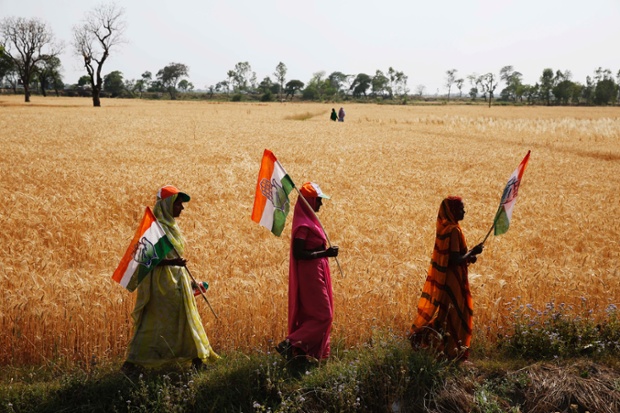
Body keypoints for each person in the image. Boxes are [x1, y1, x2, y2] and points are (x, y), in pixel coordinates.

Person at [122, 185, 219, 373]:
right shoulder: (155, 229)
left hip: (176, 280)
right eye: (178, 204)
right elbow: (145, 260)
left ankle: (198, 359)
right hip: (160, 285)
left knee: (186, 317)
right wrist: (172, 262)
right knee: (155, 322)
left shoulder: (170, 227)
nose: (181, 208)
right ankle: (132, 362)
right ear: (167, 205)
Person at [409, 196, 483, 361]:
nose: (464, 211)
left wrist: (469, 257)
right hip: (454, 282)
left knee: (446, 315)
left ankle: (434, 346)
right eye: (461, 208)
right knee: (456, 314)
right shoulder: (454, 230)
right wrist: (473, 252)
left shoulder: (445, 228)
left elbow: (453, 257)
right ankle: (447, 351)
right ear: (452, 211)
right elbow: (455, 259)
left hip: (447, 280)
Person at [276, 182, 339, 362]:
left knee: (312, 314)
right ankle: (290, 343)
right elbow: (299, 253)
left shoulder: (310, 221)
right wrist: (325, 253)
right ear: (310, 201)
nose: (321, 204)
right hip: (310, 274)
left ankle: (301, 354)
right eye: (318, 200)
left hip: (316, 270)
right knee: (325, 315)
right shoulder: (304, 226)